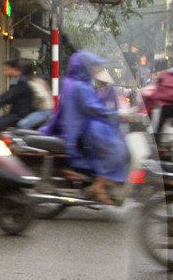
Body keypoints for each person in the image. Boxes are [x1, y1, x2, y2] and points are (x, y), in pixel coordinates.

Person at [41, 51, 129, 205]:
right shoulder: (80, 86)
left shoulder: (71, 82)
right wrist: (118, 116)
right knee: (119, 150)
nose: (95, 70)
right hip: (86, 129)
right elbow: (94, 108)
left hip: (81, 127)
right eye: (93, 66)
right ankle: (99, 185)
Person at [0, 59, 40, 131]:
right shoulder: (27, 79)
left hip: (22, 114)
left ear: (16, 69)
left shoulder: (22, 81)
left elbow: (11, 95)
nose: (5, 72)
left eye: (7, 70)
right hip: (23, 112)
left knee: (0, 123)